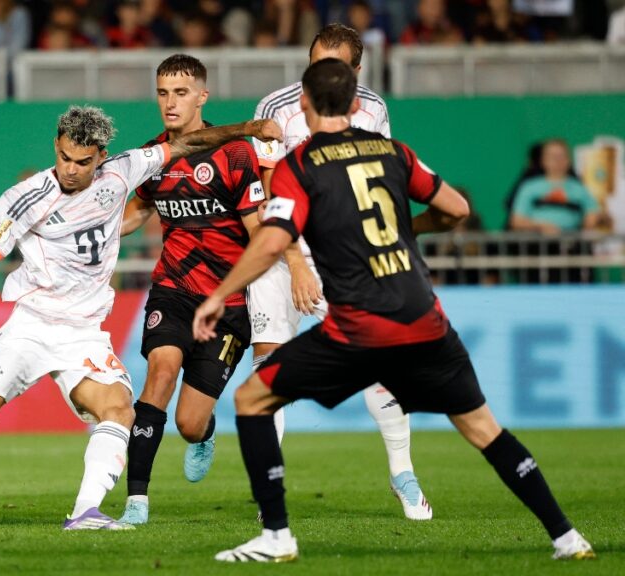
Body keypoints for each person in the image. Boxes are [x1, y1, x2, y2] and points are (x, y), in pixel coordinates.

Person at [194, 58, 595, 563]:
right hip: (425, 319)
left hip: (358, 328)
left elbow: (273, 241)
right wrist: (416, 229)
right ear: (358, 104)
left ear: (304, 104)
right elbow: (457, 209)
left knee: (252, 399)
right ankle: (566, 537)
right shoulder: (394, 152)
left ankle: (276, 536)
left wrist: (217, 294)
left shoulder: (300, 166)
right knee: (483, 430)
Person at [0, 105, 282, 530]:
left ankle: (86, 510)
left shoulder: (122, 172)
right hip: (30, 326)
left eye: (82, 162)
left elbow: (187, 143)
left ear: (100, 157)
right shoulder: (25, 198)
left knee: (118, 409)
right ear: (56, 146)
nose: (70, 169)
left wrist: (248, 128)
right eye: (64, 156)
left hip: (84, 334)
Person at [249, 23, 432, 521]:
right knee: (270, 365)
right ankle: (272, 490)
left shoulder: (374, 109)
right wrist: (292, 261)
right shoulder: (275, 107)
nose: (319, 77)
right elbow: (268, 191)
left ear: (356, 70)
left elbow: (379, 178)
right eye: (314, 64)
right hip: (280, 253)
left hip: (345, 255)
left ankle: (402, 473)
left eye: (332, 67)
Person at [116, 54, 263, 525]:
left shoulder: (234, 154)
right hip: (172, 290)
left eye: (180, 93)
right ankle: (136, 500)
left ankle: (204, 433)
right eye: (162, 93)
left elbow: (260, 232)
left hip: (227, 301)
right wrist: (95, 230)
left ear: (202, 96)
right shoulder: (154, 154)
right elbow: (139, 210)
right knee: (159, 374)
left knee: (188, 422)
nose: (170, 103)